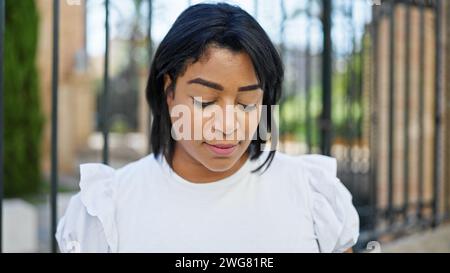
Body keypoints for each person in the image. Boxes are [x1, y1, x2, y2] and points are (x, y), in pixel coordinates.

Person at [56, 2, 359, 253]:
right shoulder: (106, 211)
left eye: (247, 103)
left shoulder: (311, 194)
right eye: (205, 101)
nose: (228, 125)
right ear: (170, 91)